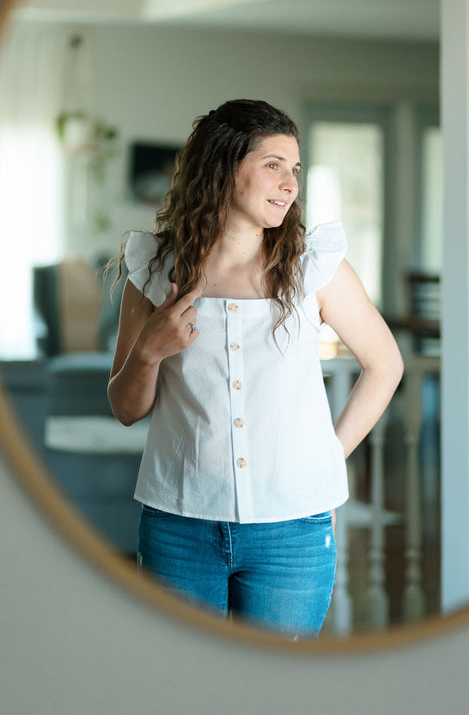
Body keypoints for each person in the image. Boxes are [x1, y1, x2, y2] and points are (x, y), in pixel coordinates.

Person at [107, 99, 403, 639]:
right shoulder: (153, 271)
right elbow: (126, 410)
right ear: (223, 166)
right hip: (178, 524)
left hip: (293, 535)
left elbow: (385, 365)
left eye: (294, 168)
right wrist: (149, 351)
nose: (289, 182)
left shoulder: (316, 267)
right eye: (273, 164)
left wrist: (323, 456)